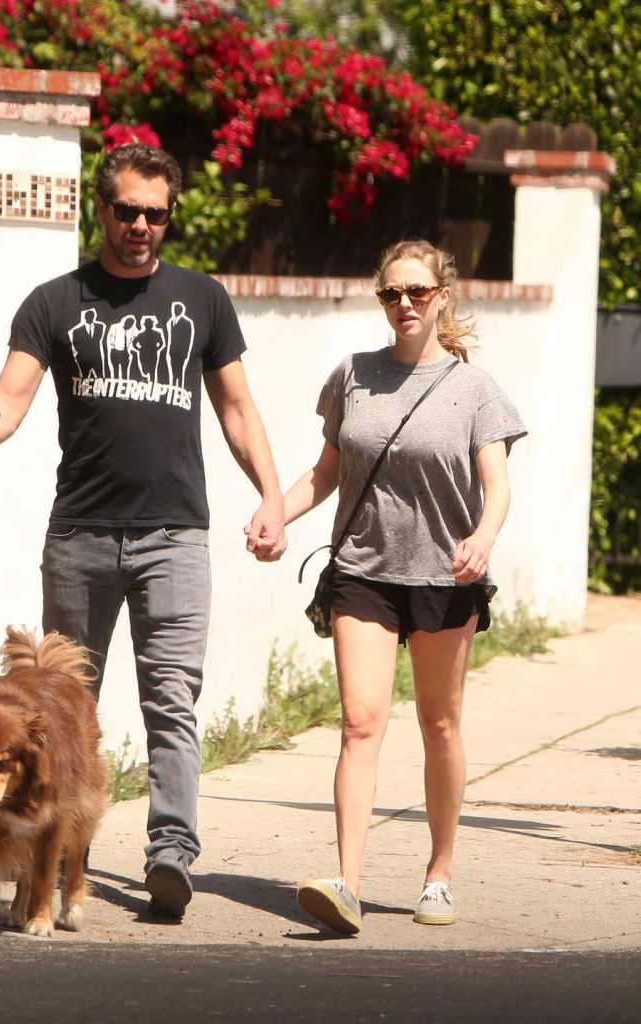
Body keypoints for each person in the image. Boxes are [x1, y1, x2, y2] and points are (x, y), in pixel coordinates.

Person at [0, 143, 286, 920]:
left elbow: (235, 409)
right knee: (57, 714)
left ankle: (171, 852)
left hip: (174, 535)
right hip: (82, 536)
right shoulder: (55, 302)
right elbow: (9, 402)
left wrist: (271, 497)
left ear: (169, 216)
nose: (140, 226)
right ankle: (64, 858)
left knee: (171, 700)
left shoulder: (202, 300)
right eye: (126, 210)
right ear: (103, 209)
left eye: (155, 214)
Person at [284, 239, 526, 935]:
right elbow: (325, 472)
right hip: (363, 570)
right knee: (360, 721)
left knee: (439, 723)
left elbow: (497, 484)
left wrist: (481, 538)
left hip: (444, 577)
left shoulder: (474, 389)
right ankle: (347, 883)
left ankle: (439, 873)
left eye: (417, 292)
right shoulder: (352, 375)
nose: (404, 305)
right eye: (392, 293)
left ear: (442, 297)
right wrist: (277, 508)